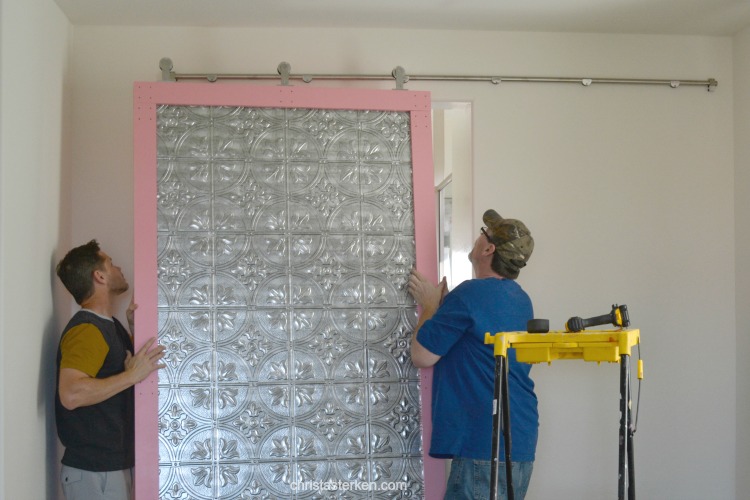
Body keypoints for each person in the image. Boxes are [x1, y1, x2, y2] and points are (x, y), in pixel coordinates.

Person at [408, 209, 538, 500]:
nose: (478, 237)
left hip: (484, 442)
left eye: (483, 232)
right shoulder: (520, 299)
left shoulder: (469, 295)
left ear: (489, 248)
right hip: (519, 440)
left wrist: (430, 306)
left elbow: (421, 355)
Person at [55, 239, 165, 500]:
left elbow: (117, 376)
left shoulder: (109, 326)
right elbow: (71, 394)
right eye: (111, 263)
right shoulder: (87, 330)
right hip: (94, 471)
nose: (119, 268)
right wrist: (130, 376)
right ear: (99, 276)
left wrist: (134, 330)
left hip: (107, 468)